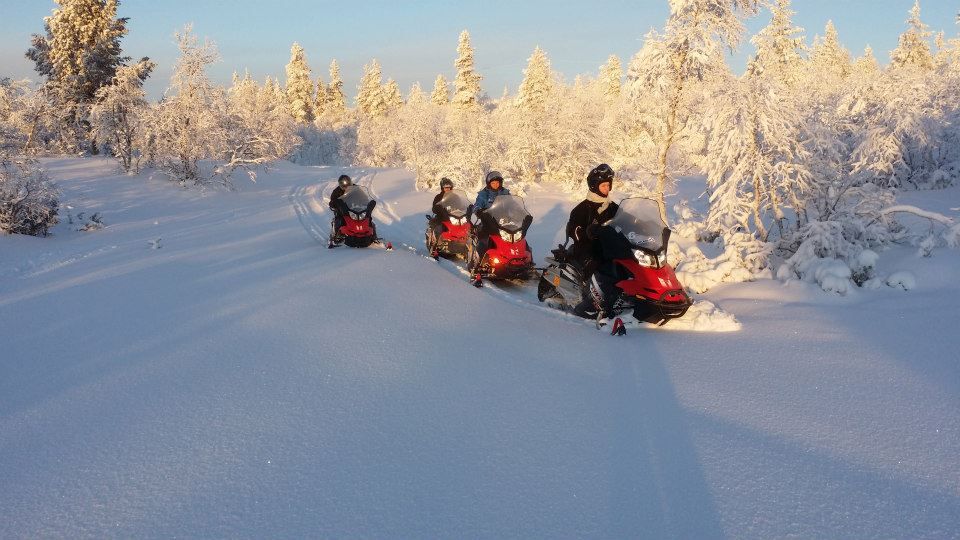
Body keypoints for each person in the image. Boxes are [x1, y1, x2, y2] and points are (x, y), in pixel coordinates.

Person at [567, 164, 620, 318]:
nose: (607, 189)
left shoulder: (614, 207)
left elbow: (626, 222)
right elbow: (574, 231)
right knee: (597, 263)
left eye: (608, 185)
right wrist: (587, 233)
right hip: (586, 248)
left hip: (609, 247)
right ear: (594, 186)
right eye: (603, 185)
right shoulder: (582, 209)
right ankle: (589, 304)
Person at [470, 171, 512, 264]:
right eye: (493, 183)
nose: (496, 185)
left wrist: (517, 211)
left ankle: (519, 258)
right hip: (488, 221)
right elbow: (477, 205)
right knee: (484, 238)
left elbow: (512, 204)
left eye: (497, 182)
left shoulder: (505, 192)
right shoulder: (483, 194)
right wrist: (478, 211)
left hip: (504, 221)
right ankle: (479, 261)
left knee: (515, 237)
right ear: (489, 184)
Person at [428, 177, 458, 253]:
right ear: (442, 188)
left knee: (466, 227)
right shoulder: (438, 197)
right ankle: (434, 249)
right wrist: (439, 208)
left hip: (453, 217)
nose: (447, 189)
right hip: (441, 217)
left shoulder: (455, 197)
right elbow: (434, 208)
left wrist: (467, 208)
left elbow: (461, 205)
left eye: (449, 187)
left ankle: (465, 246)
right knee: (439, 229)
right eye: (446, 188)